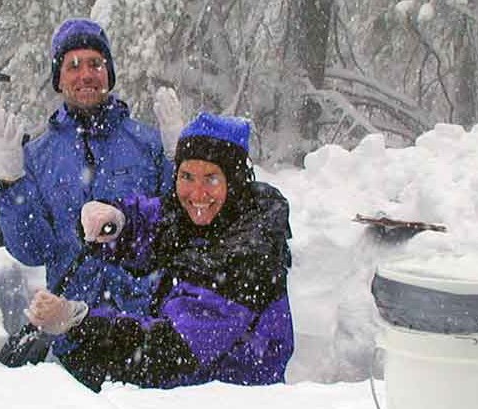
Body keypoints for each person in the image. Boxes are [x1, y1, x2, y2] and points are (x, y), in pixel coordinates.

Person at [26, 112, 294, 391]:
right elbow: (156, 221)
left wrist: (79, 319)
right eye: (187, 176)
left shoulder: (246, 252)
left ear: (235, 181)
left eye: (211, 178)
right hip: (189, 387)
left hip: (230, 395)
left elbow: (173, 351)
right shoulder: (207, 216)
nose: (197, 193)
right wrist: (116, 219)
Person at [0, 18, 183, 359]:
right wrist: (11, 181)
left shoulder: (147, 144)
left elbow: (177, 224)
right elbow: (32, 250)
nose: (86, 74)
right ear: (59, 79)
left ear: (108, 72)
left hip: (147, 330)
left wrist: (177, 158)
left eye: (95, 64)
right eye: (73, 66)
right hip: (73, 335)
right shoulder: (38, 155)